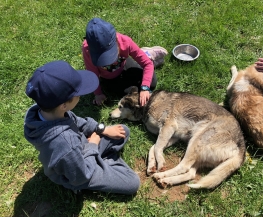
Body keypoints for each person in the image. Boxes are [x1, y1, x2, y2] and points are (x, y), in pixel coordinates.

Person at [24, 60, 140, 195]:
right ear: (63, 105)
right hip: (80, 172)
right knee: (132, 183)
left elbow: (78, 122)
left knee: (123, 131)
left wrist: (102, 129)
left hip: (81, 148)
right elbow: (81, 176)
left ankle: (101, 161)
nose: (80, 96)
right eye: (78, 94)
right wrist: (93, 146)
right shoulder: (65, 143)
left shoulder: (46, 112)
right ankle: (102, 163)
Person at [82, 17, 168, 106]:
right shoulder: (87, 51)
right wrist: (98, 94)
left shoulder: (125, 41)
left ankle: (146, 54)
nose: (109, 62)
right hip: (109, 78)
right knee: (130, 93)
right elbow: (92, 75)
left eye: (111, 54)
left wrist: (145, 87)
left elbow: (147, 64)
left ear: (115, 39)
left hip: (124, 64)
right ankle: (144, 56)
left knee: (152, 83)